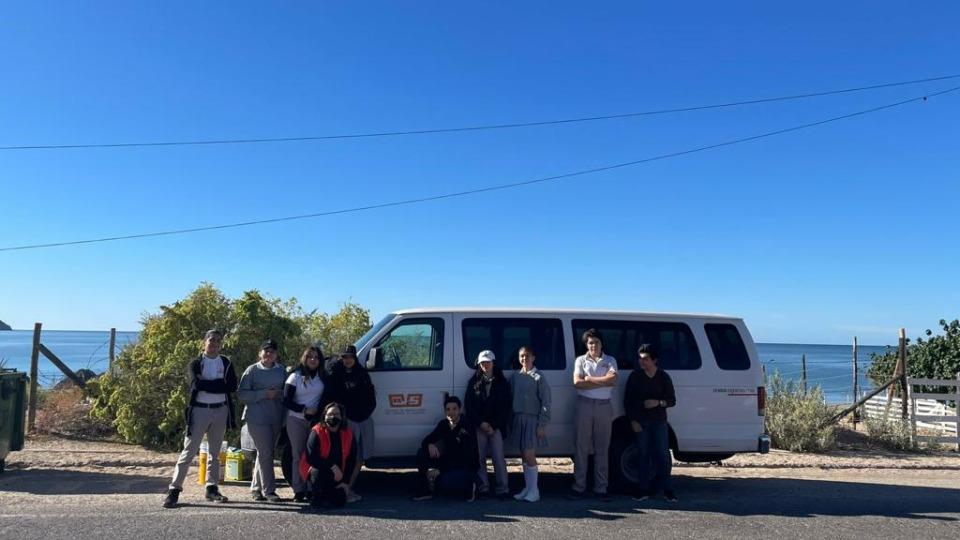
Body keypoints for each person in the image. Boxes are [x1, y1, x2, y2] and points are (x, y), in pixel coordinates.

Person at [163, 329, 238, 508]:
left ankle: (211, 488)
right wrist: (219, 384)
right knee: (188, 451)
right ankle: (174, 490)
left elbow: (232, 386)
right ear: (204, 342)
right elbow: (195, 385)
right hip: (199, 410)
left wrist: (209, 385)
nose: (214, 343)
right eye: (211, 340)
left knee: (214, 452)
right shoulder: (196, 363)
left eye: (218, 341)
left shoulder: (226, 362)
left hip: (221, 410)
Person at [324, 344, 377, 503]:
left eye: (350, 357)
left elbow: (371, 397)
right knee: (347, 456)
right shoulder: (336, 375)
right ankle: (340, 488)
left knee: (359, 456)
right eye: (345, 357)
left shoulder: (363, 374)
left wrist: (367, 412)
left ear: (355, 358)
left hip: (364, 419)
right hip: (348, 421)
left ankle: (348, 488)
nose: (348, 360)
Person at [624, 343, 678, 503]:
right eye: (640, 359)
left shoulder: (663, 376)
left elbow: (672, 400)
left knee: (663, 455)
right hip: (641, 422)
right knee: (642, 456)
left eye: (645, 359)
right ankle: (642, 490)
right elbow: (628, 401)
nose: (642, 362)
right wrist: (633, 420)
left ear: (654, 360)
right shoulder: (635, 376)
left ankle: (668, 490)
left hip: (659, 422)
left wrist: (658, 403)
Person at [569, 328, 618, 501]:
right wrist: (602, 382)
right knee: (581, 448)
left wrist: (589, 379)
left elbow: (614, 380)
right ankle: (579, 487)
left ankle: (601, 488)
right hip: (584, 406)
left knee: (602, 448)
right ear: (586, 344)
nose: (593, 345)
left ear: (601, 343)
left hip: (604, 407)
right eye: (590, 342)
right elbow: (577, 383)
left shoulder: (610, 360)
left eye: (596, 342)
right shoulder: (581, 360)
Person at [237, 339, 287, 502]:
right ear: (260, 353)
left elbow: (288, 391)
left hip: (276, 416)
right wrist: (264, 394)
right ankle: (269, 491)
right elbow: (242, 394)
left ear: (276, 354)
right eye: (266, 350)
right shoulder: (252, 370)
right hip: (257, 418)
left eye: (272, 351)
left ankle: (256, 488)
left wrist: (278, 393)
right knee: (266, 453)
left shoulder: (281, 370)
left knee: (264, 454)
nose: (269, 353)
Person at [464, 349, 512, 499]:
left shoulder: (503, 383)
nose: (485, 364)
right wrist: (481, 423)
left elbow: (506, 407)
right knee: (480, 458)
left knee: (498, 457)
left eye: (488, 361)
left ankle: (503, 489)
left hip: (496, 428)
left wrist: (494, 425)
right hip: (479, 427)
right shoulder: (474, 383)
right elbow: (469, 406)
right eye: (482, 362)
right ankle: (483, 488)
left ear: (493, 363)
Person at [411, 396, 479, 502]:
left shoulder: (467, 426)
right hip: (449, 461)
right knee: (422, 453)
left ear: (460, 410)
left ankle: (470, 486)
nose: (451, 412)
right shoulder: (444, 424)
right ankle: (425, 490)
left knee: (444, 481)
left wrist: (440, 470)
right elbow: (426, 440)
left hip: (464, 465)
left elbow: (464, 457)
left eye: (454, 409)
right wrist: (430, 445)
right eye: (448, 409)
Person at [508, 345, 551, 502]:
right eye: (521, 356)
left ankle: (535, 490)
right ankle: (528, 488)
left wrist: (542, 424)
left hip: (532, 420)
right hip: (519, 419)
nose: (524, 359)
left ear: (533, 357)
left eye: (527, 356)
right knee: (523, 456)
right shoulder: (515, 377)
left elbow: (546, 402)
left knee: (529, 455)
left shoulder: (539, 377)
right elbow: (512, 398)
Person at [283, 346, 325, 502]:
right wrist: (304, 409)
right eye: (310, 357)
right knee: (298, 455)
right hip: (296, 420)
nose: (313, 360)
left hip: (315, 423)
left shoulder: (322, 378)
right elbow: (286, 400)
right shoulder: (295, 376)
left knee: (312, 456)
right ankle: (298, 490)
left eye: (316, 357)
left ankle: (311, 487)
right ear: (305, 358)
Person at [301, 402, 356, 510]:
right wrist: (333, 466)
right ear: (324, 416)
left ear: (342, 417)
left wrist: (345, 482)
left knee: (339, 502)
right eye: (329, 414)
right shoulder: (316, 431)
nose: (332, 417)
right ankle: (315, 496)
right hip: (319, 471)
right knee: (316, 471)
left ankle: (326, 495)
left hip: (338, 475)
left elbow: (351, 459)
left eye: (336, 414)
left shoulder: (348, 433)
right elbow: (311, 458)